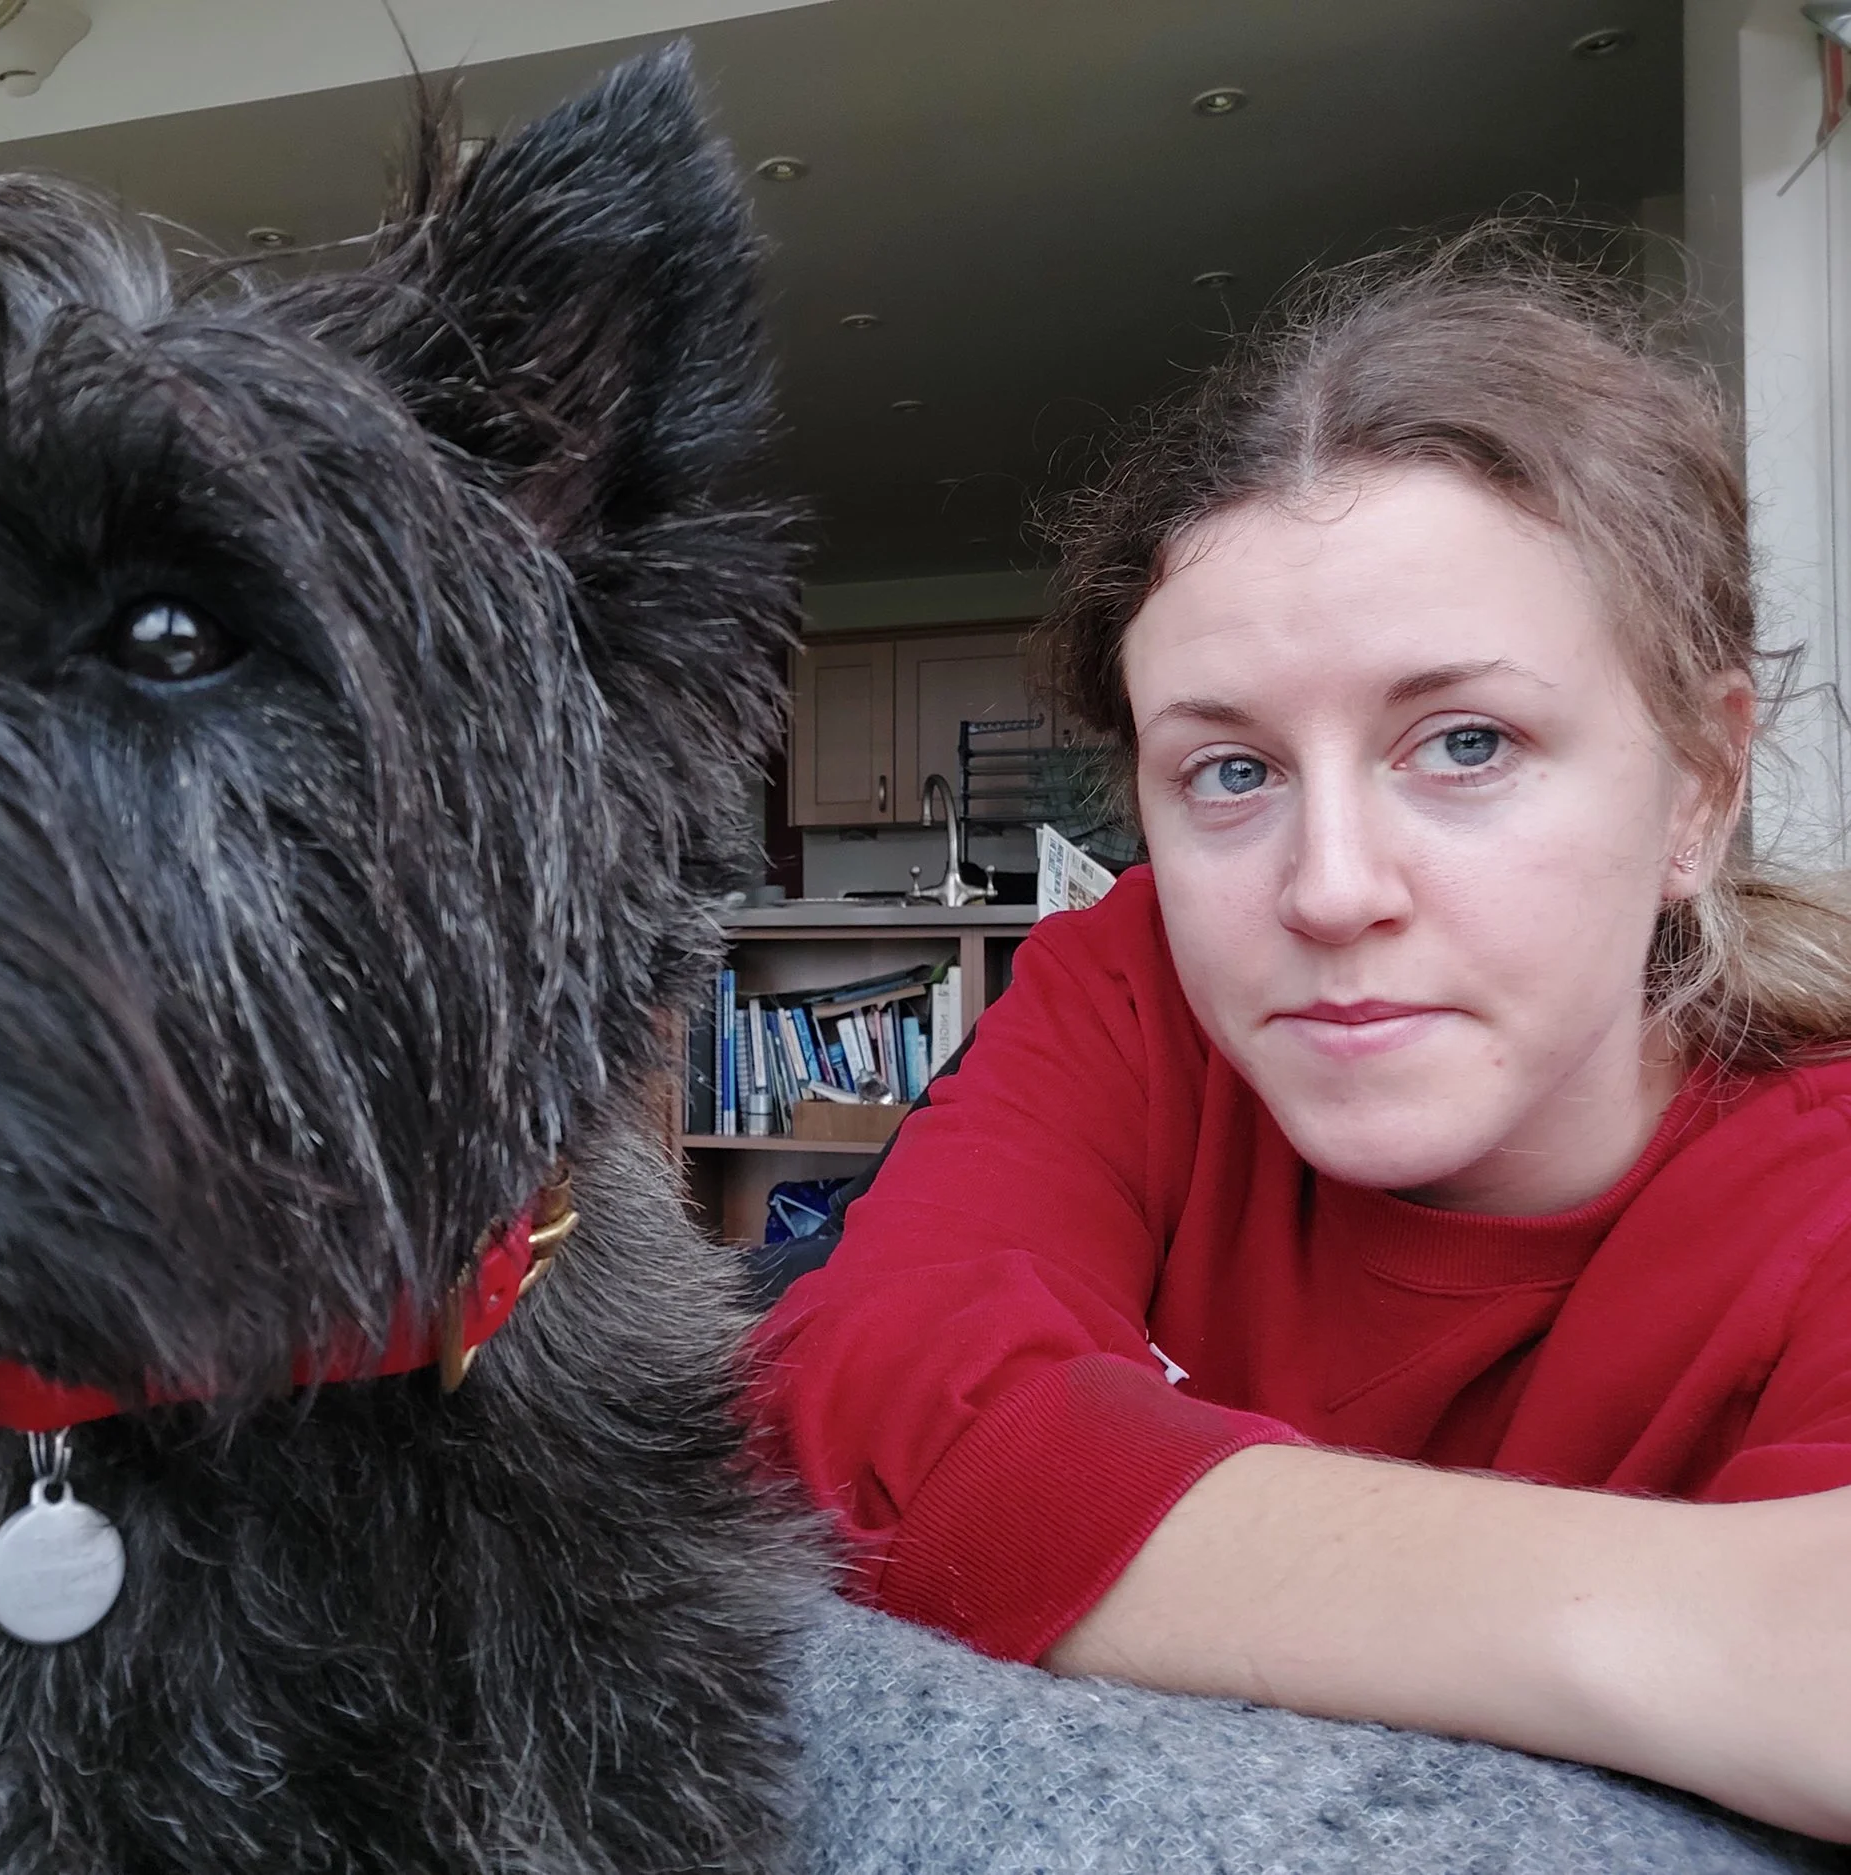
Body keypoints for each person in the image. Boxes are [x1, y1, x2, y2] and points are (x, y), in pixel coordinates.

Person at [747, 228, 1851, 1842]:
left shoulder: (1815, 1202)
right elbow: (861, 1402)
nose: (1328, 890)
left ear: (1698, 783)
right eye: (1232, 772)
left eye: (1464, 742)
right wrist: (1691, 1618)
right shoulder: (1128, 981)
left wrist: (1083, 1497)